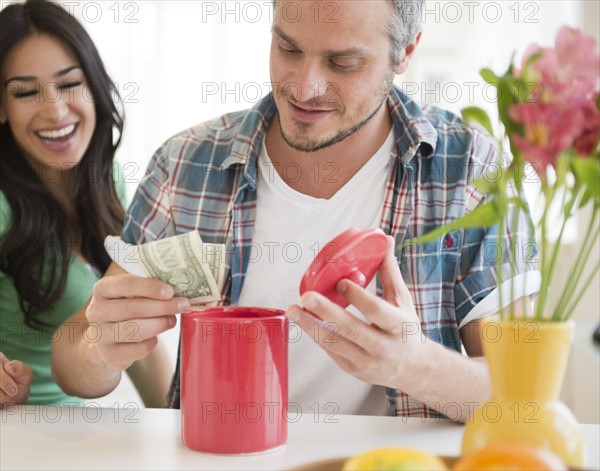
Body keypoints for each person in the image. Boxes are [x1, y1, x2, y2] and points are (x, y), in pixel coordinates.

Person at [52, 0, 539, 421]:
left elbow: (523, 397)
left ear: (406, 51)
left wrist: (410, 363)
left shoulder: (471, 168)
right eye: (287, 48)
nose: (304, 89)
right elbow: (72, 366)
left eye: (342, 63)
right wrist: (99, 346)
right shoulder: (186, 161)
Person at [0, 0, 172, 407]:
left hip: (78, 440)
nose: (55, 110)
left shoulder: (110, 180)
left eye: (70, 83)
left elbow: (129, 329)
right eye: (25, 92)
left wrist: (179, 423)